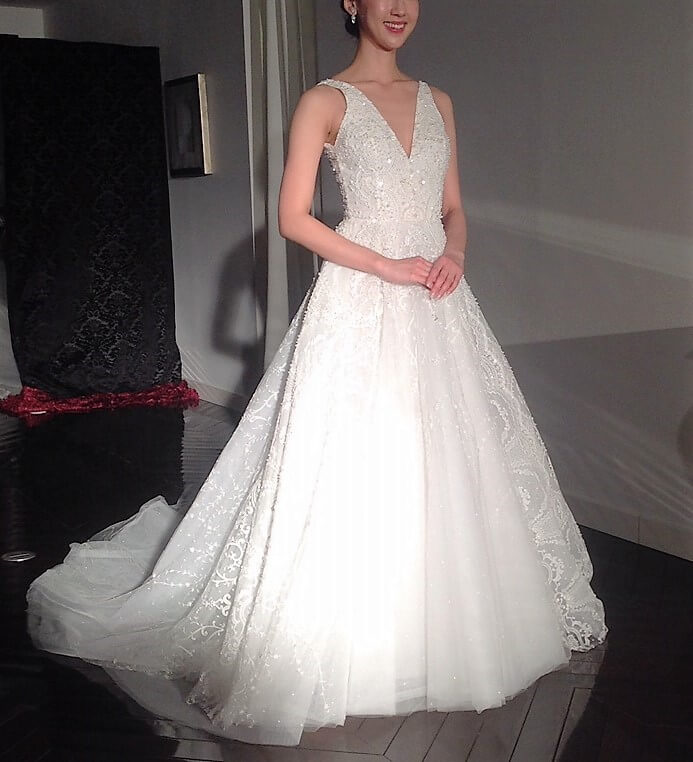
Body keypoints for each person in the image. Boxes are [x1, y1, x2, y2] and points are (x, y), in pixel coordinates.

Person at [26, 0, 607, 748]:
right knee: (354, 454)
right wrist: (384, 265)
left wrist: (454, 255)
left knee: (448, 454)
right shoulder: (324, 101)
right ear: (351, 3)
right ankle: (356, 630)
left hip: (436, 299)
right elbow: (293, 217)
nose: (399, 8)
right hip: (361, 296)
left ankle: (450, 617)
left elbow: (453, 209)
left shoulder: (440, 101)